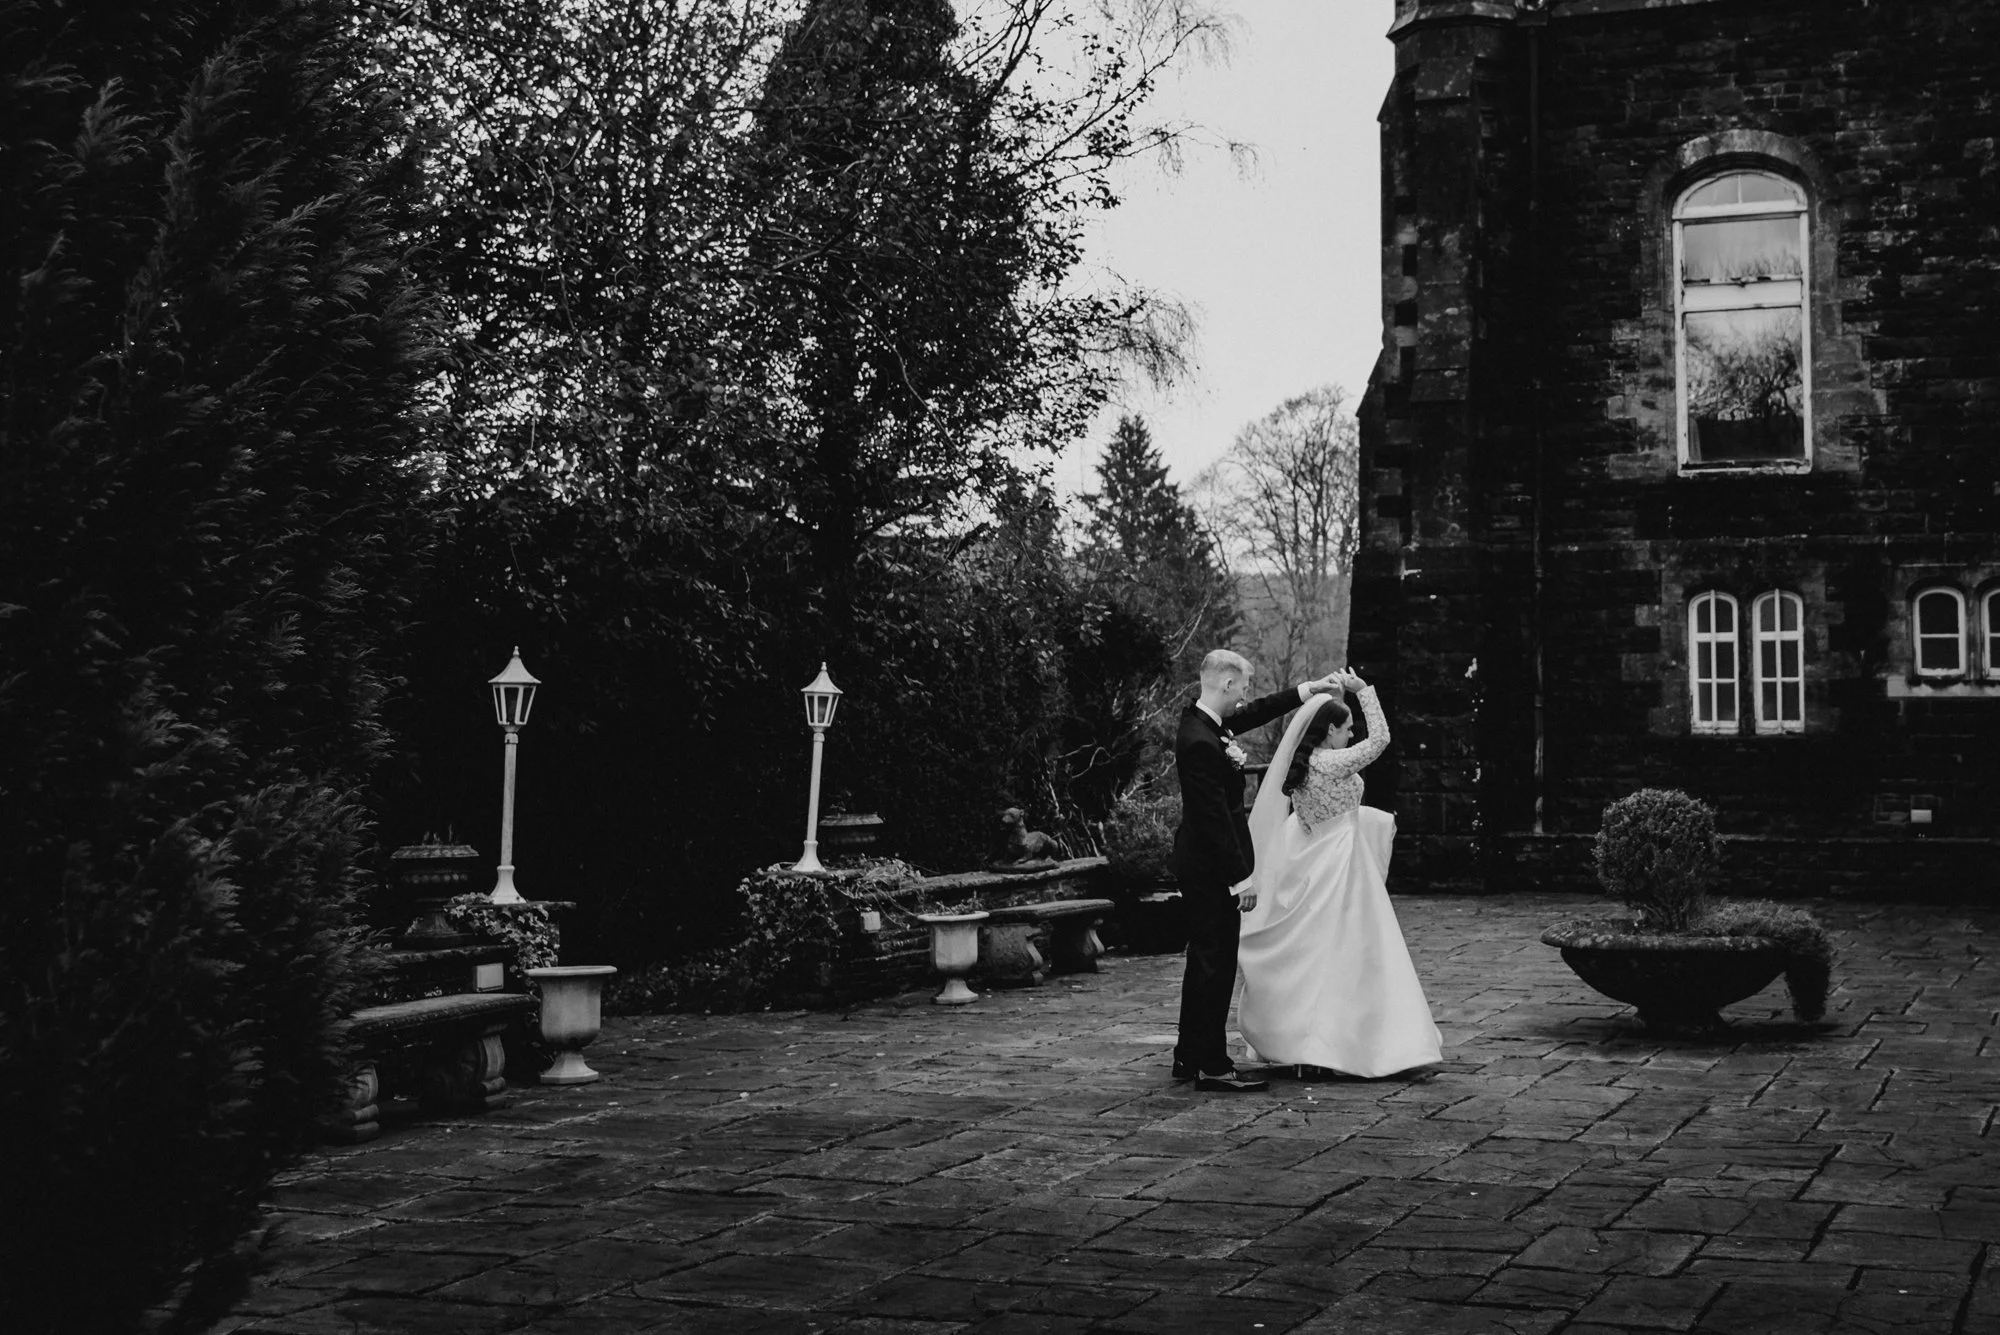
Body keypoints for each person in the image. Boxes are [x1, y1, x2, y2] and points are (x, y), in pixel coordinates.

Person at [1236, 669, 1442, 1078]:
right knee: (1356, 953)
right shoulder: (1331, 763)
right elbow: (1381, 740)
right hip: (1344, 863)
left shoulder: (1301, 767)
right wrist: (1365, 692)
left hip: (1312, 861)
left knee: (1315, 954)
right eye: (1346, 729)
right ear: (1330, 730)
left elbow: (1304, 823)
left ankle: (1306, 1042)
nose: (1350, 736)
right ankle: (1355, 1044)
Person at [1171, 650, 1340, 1093]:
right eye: (1243, 686)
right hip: (1210, 867)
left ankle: (1189, 1055)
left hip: (1204, 863)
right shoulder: (1199, 741)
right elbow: (1211, 817)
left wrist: (1309, 690)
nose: (1246, 695)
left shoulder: (1207, 725)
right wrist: (1240, 878)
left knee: (1204, 960)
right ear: (1226, 684)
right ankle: (1211, 1065)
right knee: (1216, 963)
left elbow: (1258, 712)